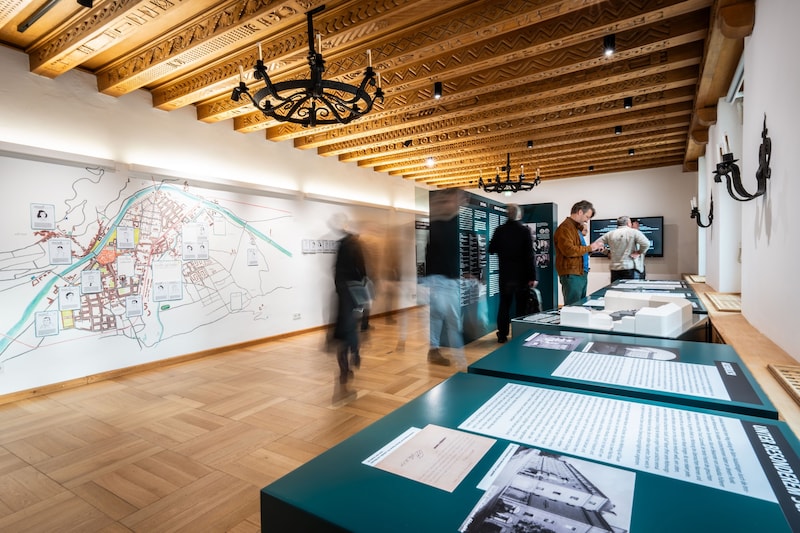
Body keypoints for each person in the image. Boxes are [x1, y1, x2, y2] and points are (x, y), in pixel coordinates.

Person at [425, 189, 467, 370]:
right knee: (449, 319)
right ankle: (459, 359)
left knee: (446, 318)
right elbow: (432, 253)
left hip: (447, 279)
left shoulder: (450, 223)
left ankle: (447, 353)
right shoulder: (441, 224)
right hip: (441, 280)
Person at [488, 204, 537, 343]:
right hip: (522, 276)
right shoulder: (524, 231)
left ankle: (502, 335)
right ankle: (519, 334)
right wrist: (532, 276)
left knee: (504, 305)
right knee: (521, 306)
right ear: (519, 215)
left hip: (505, 274)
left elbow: (491, 249)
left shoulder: (500, 230)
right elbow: (529, 255)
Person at [332, 223, 368, 384]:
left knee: (342, 332)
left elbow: (336, 271)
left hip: (342, 294)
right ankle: (355, 352)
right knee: (352, 326)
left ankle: (344, 371)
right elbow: (362, 271)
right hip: (354, 293)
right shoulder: (357, 246)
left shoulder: (340, 245)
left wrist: (339, 289)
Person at [554, 200, 604, 305]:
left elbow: (577, 250)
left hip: (580, 272)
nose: (587, 220)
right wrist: (589, 248)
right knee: (574, 307)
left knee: (580, 305)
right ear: (580, 212)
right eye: (587, 217)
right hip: (572, 273)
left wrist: (591, 250)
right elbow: (569, 251)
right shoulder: (565, 228)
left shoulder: (575, 229)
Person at [594, 215, 650, 282]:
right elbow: (646, 243)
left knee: (616, 291)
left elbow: (596, 244)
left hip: (615, 269)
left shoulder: (610, 234)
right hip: (630, 268)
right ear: (628, 223)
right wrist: (639, 252)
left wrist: (607, 252)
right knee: (631, 291)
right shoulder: (634, 232)